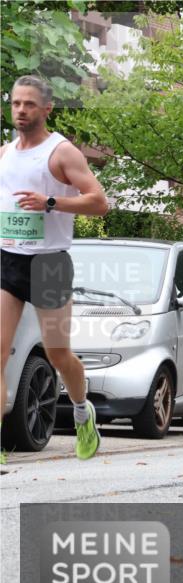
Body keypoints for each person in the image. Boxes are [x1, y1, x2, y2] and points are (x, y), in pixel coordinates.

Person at [0, 75, 109, 458]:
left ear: (46, 109)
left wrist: (50, 202)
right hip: (9, 259)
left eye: (29, 104)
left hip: (49, 263)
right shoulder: (4, 153)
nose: (20, 110)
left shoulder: (62, 153)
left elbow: (99, 202)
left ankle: (82, 412)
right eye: (15, 103)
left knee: (57, 352)